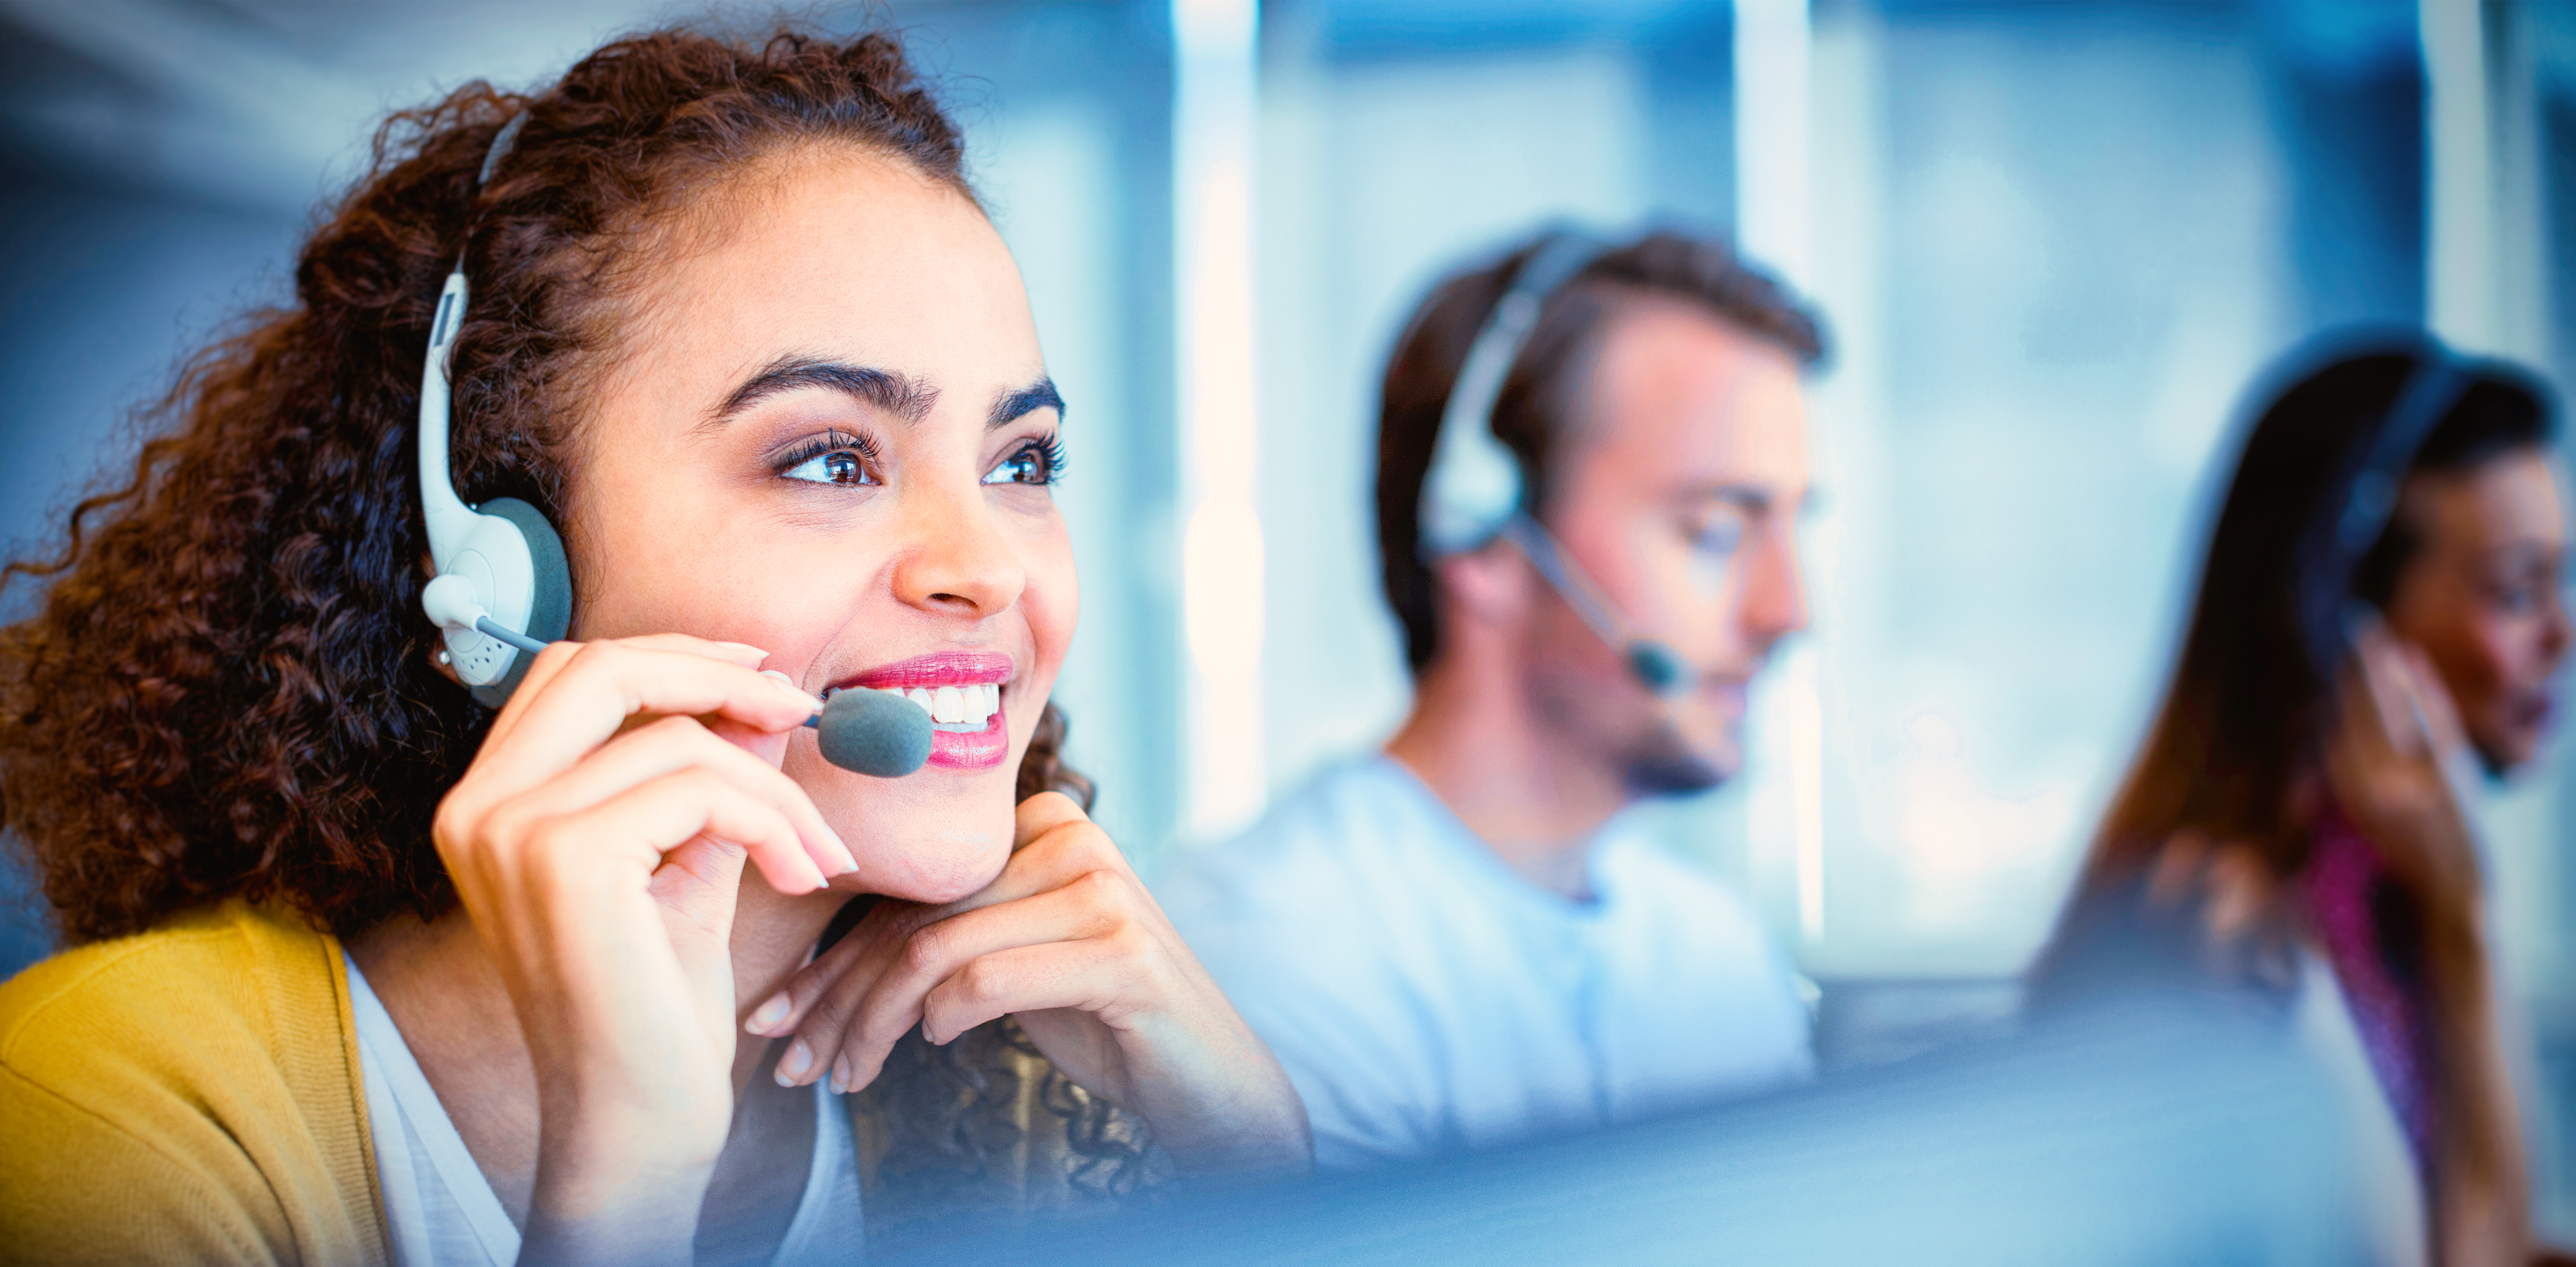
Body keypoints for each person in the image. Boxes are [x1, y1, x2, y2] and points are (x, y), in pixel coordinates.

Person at [0, 25, 1307, 1267]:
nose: (986, 567)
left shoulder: (997, 1086)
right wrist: (617, 1190)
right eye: (832, 457)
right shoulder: (104, 1113)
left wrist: (1257, 1156)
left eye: (1022, 460)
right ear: (501, 555)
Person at [1154, 230, 1825, 1170]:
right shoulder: (1271, 956)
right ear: (1485, 539)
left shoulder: (1714, 950)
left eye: (1794, 528)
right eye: (1715, 531)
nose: (1789, 610)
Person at [2032, 333, 2572, 1267]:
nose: (2561, 634)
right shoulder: (2230, 936)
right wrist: (2467, 919)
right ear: (2341, 615)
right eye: (2517, 587)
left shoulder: (2388, 890)